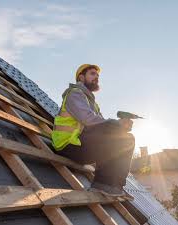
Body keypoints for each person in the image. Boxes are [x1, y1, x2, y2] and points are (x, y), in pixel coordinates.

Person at [51, 64, 135, 196]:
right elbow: (89, 120)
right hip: (67, 145)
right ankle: (103, 184)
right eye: (92, 74)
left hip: (81, 146)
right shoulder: (74, 93)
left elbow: (103, 124)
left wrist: (121, 126)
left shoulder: (92, 103)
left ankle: (113, 185)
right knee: (114, 128)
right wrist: (116, 125)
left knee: (127, 138)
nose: (96, 77)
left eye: (97, 75)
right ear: (81, 77)